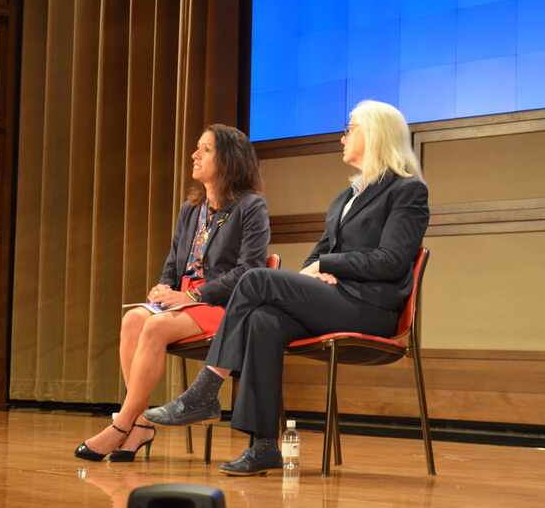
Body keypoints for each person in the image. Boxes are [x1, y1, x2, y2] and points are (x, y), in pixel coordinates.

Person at [144, 100, 430, 476]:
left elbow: (391, 260)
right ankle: (263, 445)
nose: (343, 137)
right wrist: (317, 268)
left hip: (370, 310)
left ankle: (206, 389)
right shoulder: (344, 198)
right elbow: (319, 253)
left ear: (375, 134)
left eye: (351, 128)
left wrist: (327, 266)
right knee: (264, 320)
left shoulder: (407, 192)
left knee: (256, 278)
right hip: (336, 300)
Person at [75, 124, 270, 462]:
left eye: (205, 149)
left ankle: (122, 424)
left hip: (222, 305)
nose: (194, 155)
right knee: (134, 319)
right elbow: (174, 261)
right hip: (183, 301)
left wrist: (195, 296)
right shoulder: (190, 209)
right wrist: (162, 288)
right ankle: (140, 425)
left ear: (229, 159)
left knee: (155, 326)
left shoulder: (251, 207)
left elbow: (250, 270)